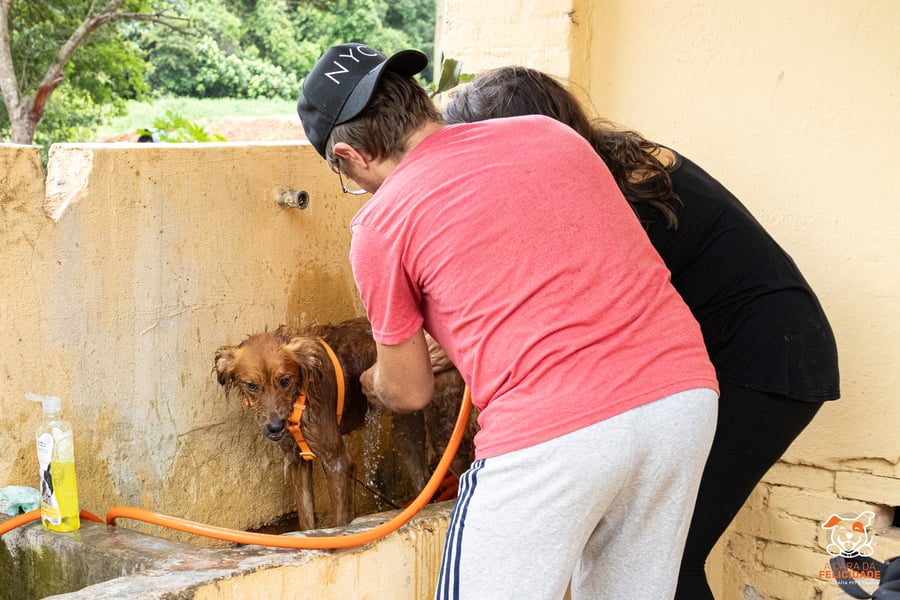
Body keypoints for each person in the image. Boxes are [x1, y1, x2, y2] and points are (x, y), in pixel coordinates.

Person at [297, 43, 719, 600]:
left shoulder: (381, 224)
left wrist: (372, 382)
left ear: (350, 155)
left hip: (556, 433)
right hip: (681, 401)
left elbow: (410, 390)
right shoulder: (550, 134)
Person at [442, 66, 840, 599]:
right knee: (656, 555)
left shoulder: (602, 194)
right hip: (760, 349)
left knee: (667, 560)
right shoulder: (610, 163)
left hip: (766, 358)